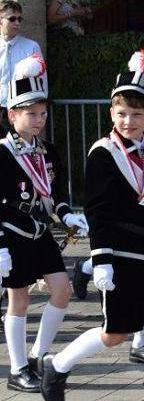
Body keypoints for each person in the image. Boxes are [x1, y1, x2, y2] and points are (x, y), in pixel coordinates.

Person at [40, 50, 144, 401]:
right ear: (111, 112)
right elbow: (98, 212)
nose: (129, 121)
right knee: (115, 334)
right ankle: (58, 364)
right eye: (122, 113)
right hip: (120, 251)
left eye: (137, 114)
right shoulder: (103, 153)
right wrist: (100, 259)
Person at [1, 54, 88, 392]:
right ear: (12, 115)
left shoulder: (48, 150)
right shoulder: (3, 153)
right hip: (12, 233)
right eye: (31, 114)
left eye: (42, 114)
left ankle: (38, 355)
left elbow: (56, 193)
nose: (39, 120)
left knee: (62, 290)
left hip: (40, 231)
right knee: (19, 300)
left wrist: (67, 214)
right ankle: (18, 368)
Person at [0, 1, 42, 122]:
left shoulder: (31, 47)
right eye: (12, 19)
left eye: (19, 19)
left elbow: (41, 81)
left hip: (20, 110)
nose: (17, 23)